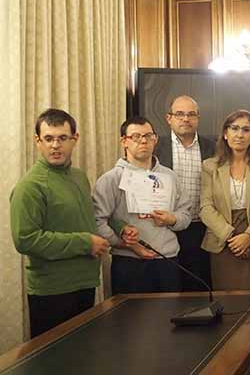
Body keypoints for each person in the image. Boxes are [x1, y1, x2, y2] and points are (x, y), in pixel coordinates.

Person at [10, 109, 115, 337]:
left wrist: (122, 227)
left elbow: (89, 215)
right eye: (48, 139)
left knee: (83, 359)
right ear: (37, 141)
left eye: (62, 138)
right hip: (52, 292)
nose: (55, 145)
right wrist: (85, 243)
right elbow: (26, 240)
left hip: (85, 284)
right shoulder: (30, 186)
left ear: (74, 139)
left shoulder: (78, 176)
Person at [93, 117, 192, 295]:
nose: (143, 141)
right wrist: (126, 244)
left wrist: (173, 219)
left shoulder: (170, 177)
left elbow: (186, 214)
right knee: (131, 320)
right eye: (136, 137)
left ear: (156, 140)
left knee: (169, 317)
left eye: (148, 136)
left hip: (167, 259)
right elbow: (97, 222)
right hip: (129, 261)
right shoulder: (111, 179)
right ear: (124, 141)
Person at [199, 110, 250, 289]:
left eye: (246, 130)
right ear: (225, 133)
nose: (239, 134)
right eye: (234, 128)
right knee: (229, 303)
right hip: (224, 241)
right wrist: (231, 236)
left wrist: (249, 236)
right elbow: (206, 207)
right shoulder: (209, 166)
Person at [154, 95, 216, 291]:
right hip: (164, 228)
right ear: (169, 118)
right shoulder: (155, 147)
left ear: (198, 118)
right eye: (179, 114)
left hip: (201, 227)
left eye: (191, 114)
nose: (185, 119)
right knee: (169, 286)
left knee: (198, 285)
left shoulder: (213, 147)